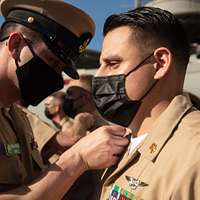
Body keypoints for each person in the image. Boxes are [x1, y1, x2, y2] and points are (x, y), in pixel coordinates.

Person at [0, 0, 129, 199]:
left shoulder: (16, 118)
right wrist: (76, 159)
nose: (56, 79)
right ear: (15, 45)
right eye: (52, 61)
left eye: (61, 69)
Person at [91, 6, 200, 200]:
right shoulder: (122, 143)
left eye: (113, 64)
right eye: (101, 65)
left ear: (160, 63)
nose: (99, 75)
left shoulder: (193, 152)